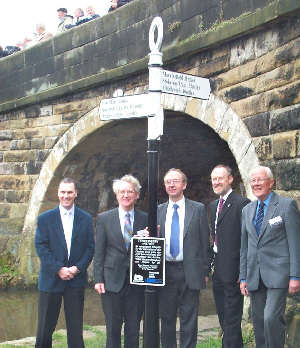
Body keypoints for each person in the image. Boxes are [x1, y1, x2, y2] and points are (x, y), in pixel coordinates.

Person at [240, 166, 300, 348]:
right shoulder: (247, 210)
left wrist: (295, 276)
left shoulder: (286, 205)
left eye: (260, 180)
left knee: (270, 319)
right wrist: (243, 277)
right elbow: (245, 247)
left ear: (271, 183)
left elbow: (295, 243)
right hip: (254, 276)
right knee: (259, 323)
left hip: (278, 274)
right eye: (253, 180)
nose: (256, 183)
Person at [35, 177, 95, 348]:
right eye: (63, 192)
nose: (66, 196)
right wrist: (58, 269)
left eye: (69, 192)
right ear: (58, 193)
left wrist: (77, 268)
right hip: (50, 279)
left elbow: (90, 248)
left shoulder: (85, 218)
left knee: (75, 329)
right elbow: (41, 247)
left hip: (75, 280)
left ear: (76, 193)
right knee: (45, 329)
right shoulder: (45, 219)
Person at [157, 168, 209, 348]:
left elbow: (205, 242)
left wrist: (205, 270)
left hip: (190, 270)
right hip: (166, 271)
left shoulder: (198, 209)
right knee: (167, 317)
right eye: (168, 182)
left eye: (175, 181)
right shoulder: (158, 211)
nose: (171, 184)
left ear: (184, 185)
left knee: (189, 318)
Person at [94, 174, 147, 348]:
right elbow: (99, 251)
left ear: (137, 195)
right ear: (116, 195)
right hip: (111, 281)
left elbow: (152, 251)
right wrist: (98, 279)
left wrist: (148, 238)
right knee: (113, 328)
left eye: (130, 192)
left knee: (133, 328)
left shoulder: (145, 219)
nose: (126, 195)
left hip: (136, 282)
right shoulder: (104, 219)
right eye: (122, 192)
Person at [209, 164, 250, 348]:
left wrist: (244, 273)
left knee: (232, 318)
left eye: (220, 178)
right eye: (214, 179)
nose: (216, 182)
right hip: (218, 270)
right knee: (225, 318)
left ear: (230, 179)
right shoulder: (212, 206)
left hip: (234, 271)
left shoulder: (242, 204)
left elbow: (246, 241)